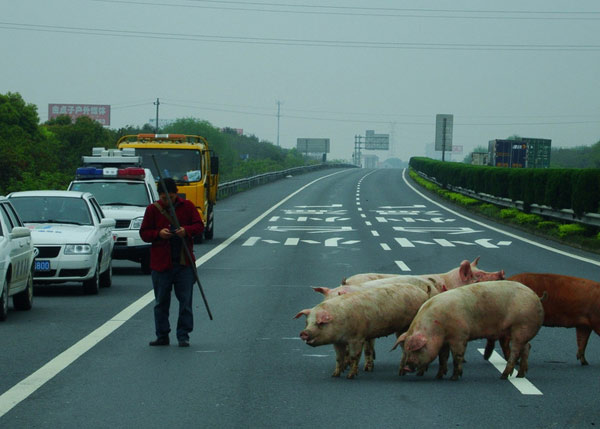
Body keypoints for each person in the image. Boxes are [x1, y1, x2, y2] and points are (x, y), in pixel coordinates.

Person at [140, 177, 204, 347]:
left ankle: (183, 335)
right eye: (164, 198)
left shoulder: (188, 206)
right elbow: (144, 233)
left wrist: (186, 231)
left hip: (184, 263)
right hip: (161, 264)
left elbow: (199, 226)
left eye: (171, 197)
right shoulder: (153, 210)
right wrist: (158, 234)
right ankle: (162, 335)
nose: (167, 200)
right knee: (161, 302)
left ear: (176, 194)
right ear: (159, 196)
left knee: (185, 302)